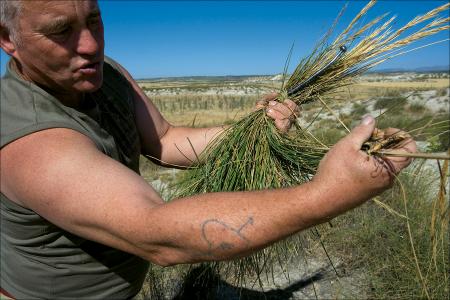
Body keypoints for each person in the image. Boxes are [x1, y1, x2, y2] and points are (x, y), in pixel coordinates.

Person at [0, 0, 416, 299]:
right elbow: (158, 235)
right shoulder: (30, 141)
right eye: (60, 31)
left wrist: (252, 130)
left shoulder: (104, 75)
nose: (90, 44)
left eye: (94, 19)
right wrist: (330, 191)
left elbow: (164, 141)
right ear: (8, 39)